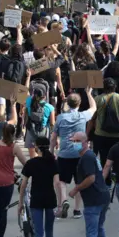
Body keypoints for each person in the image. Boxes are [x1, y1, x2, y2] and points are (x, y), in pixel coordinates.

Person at [50, 90, 97, 219]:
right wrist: (88, 93)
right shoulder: (83, 116)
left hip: (64, 152)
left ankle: (63, 201)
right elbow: (94, 108)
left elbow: (54, 137)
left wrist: (51, 151)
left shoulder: (60, 117)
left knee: (62, 181)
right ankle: (77, 210)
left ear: (67, 103)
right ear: (79, 103)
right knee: (79, 181)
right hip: (78, 152)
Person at [69, 132, 110, 237]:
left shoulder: (86, 158)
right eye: (73, 140)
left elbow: (91, 178)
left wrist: (76, 189)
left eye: (77, 141)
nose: (74, 143)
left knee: (92, 233)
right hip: (102, 197)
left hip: (94, 200)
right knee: (99, 229)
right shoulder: (91, 156)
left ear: (85, 142)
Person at [18, 136, 59, 237]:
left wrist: (20, 203)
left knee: (39, 232)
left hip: (36, 199)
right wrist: (61, 201)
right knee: (49, 231)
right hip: (50, 198)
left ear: (37, 147)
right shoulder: (53, 162)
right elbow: (57, 183)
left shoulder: (31, 163)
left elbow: (23, 184)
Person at [89, 77, 119, 171]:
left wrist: (87, 134)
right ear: (115, 87)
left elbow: (92, 119)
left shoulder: (97, 99)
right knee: (117, 157)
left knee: (104, 158)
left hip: (101, 134)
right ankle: (115, 176)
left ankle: (106, 180)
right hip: (118, 135)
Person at [24, 88, 56, 159]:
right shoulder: (50, 107)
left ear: (34, 95)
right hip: (43, 132)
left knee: (32, 156)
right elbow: (52, 123)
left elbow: (25, 114)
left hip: (31, 131)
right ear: (44, 96)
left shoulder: (28, 101)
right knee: (43, 154)